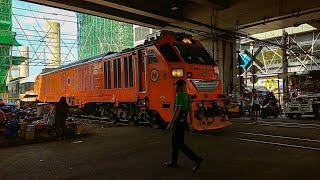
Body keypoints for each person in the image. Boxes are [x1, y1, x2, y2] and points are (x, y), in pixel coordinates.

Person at [165, 79, 203, 172]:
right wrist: (191, 123)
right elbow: (190, 110)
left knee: (180, 144)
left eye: (176, 86)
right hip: (183, 122)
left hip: (178, 123)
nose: (176, 88)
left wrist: (170, 123)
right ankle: (174, 161)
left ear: (179, 86)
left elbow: (177, 111)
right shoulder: (187, 96)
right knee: (174, 143)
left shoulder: (180, 96)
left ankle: (196, 159)